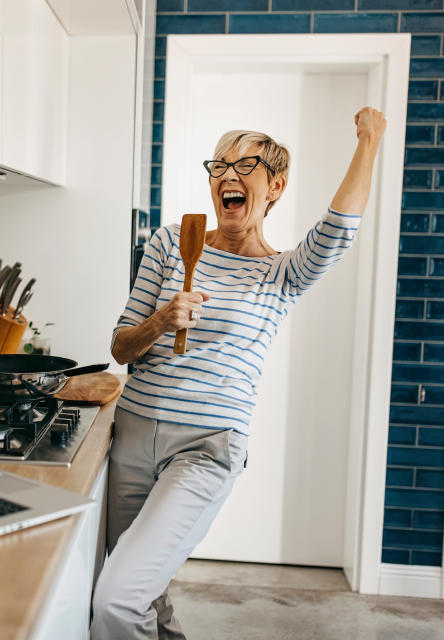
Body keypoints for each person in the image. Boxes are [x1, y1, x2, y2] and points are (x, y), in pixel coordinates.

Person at [90, 107, 387, 639]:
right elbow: (120, 347)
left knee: (116, 600)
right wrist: (162, 319)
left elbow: (340, 229)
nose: (227, 175)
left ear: (275, 185)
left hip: (206, 450)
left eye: (245, 165)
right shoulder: (170, 243)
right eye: (218, 166)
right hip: (132, 437)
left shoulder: (282, 272)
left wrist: (370, 140)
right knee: (146, 595)